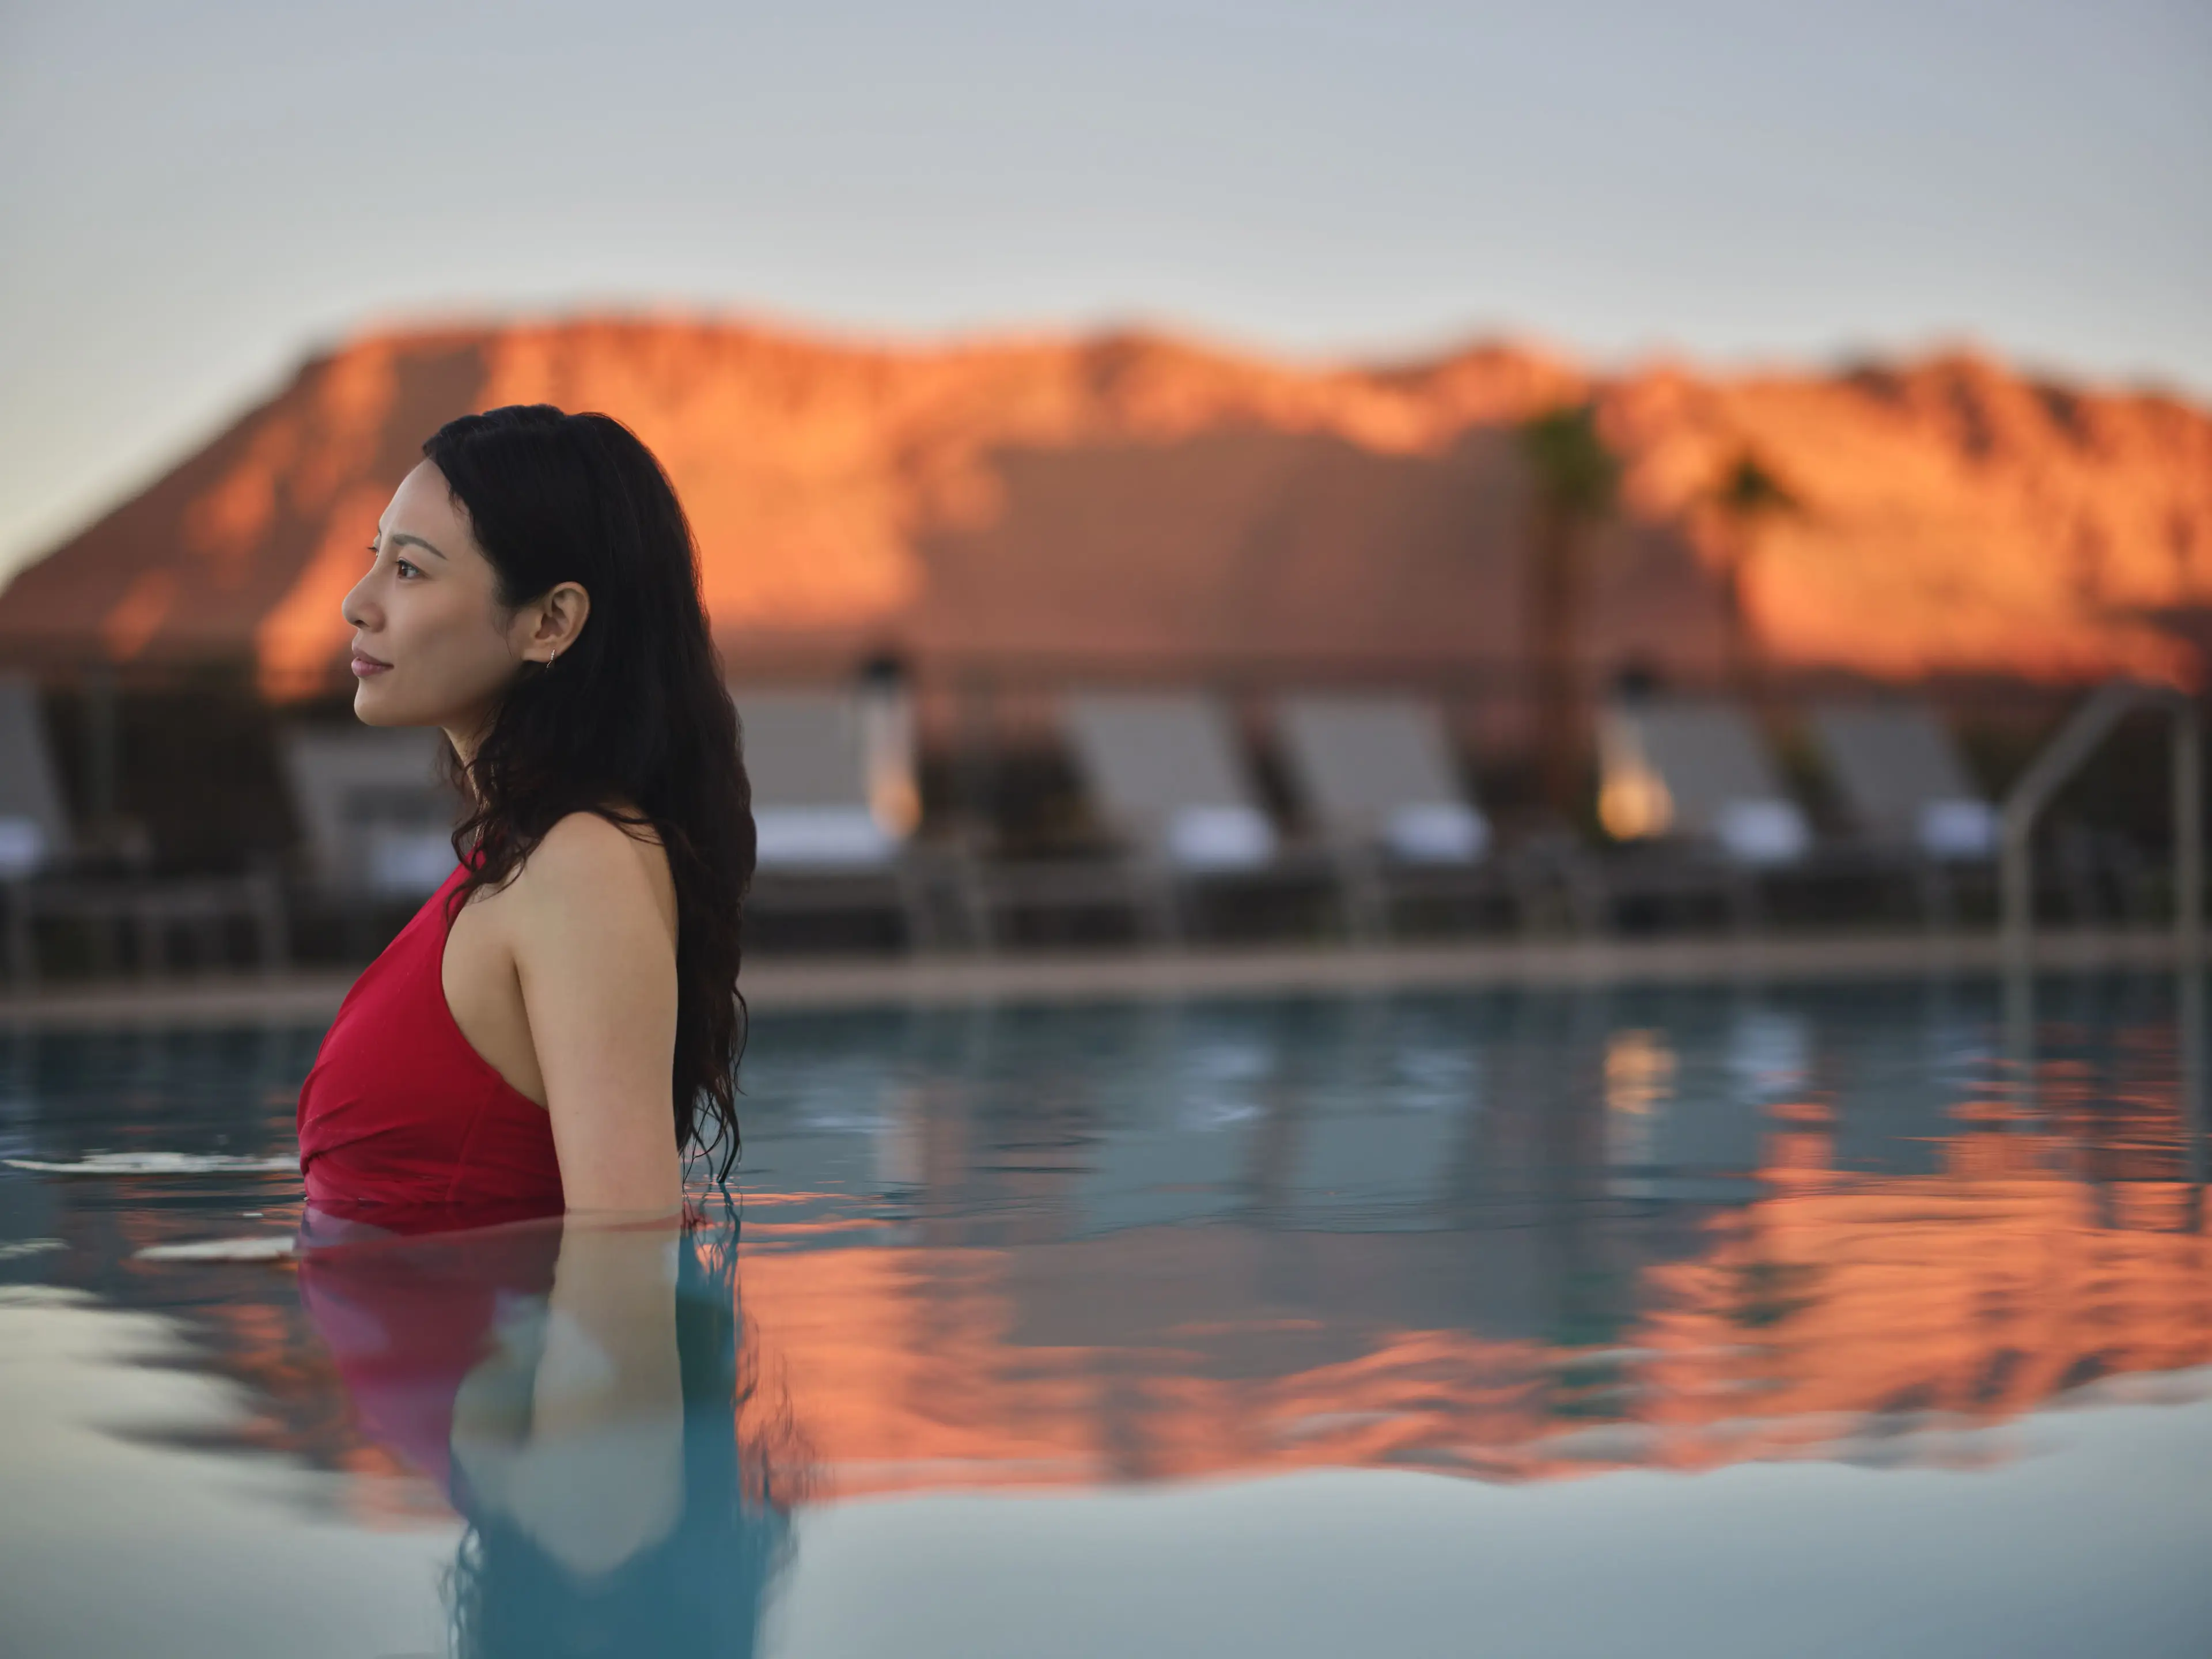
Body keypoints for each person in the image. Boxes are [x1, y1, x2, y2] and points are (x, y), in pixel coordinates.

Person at [296, 405, 755, 1223]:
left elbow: (627, 1257)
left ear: (551, 622)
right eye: (378, 557)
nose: (356, 603)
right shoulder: (524, 859)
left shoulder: (580, 865)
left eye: (410, 570)